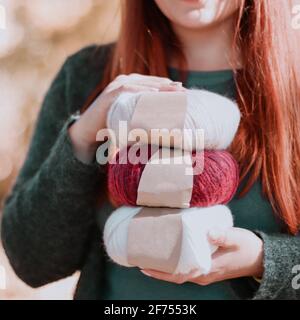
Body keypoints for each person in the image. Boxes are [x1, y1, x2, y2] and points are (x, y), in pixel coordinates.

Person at [1, 0, 300, 300]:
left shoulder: (294, 84)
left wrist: (263, 260)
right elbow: (30, 261)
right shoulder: (87, 75)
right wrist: (82, 136)